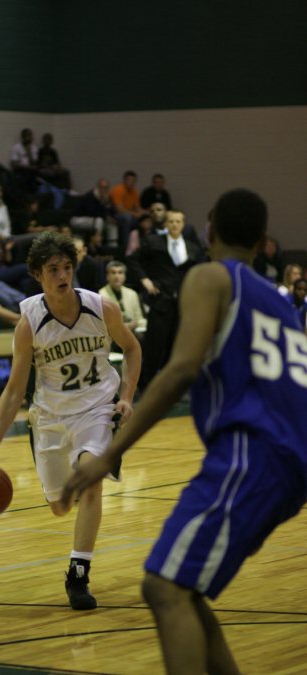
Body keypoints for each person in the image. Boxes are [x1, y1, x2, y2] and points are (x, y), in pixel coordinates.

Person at [62, 188, 307, 675]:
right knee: (182, 589)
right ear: (262, 242)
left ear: (208, 230)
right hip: (292, 460)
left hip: (254, 451)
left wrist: (110, 453)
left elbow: (180, 370)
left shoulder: (211, 277)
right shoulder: (279, 302)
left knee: (163, 586)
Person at [0, 232, 141, 610]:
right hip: (49, 417)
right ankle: (79, 492)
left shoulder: (102, 308)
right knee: (60, 507)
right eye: (53, 270)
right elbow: (15, 391)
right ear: (38, 275)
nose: (63, 275)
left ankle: (78, 574)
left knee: (91, 479)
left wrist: (127, 397)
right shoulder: (29, 323)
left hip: (97, 408)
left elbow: (132, 349)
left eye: (67, 267)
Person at [127, 209, 205, 389]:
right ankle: (144, 385)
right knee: (154, 345)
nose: (175, 225)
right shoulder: (153, 242)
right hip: (161, 302)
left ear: (183, 225)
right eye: (171, 221)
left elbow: (201, 269)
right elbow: (133, 259)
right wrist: (144, 279)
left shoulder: (193, 248)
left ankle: (171, 385)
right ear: (166, 224)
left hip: (182, 305)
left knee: (176, 346)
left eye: (178, 221)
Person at [99, 261, 147, 338]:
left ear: (125, 276)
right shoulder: (101, 294)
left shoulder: (132, 293)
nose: (117, 276)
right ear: (107, 276)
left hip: (134, 331)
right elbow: (105, 324)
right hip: (112, 335)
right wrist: (127, 326)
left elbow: (139, 318)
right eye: (113, 273)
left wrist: (139, 323)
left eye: (120, 272)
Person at [109, 171, 147, 254]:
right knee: (127, 218)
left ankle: (142, 246)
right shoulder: (118, 189)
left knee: (145, 220)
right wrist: (135, 214)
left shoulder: (134, 192)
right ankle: (125, 247)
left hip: (130, 215)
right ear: (124, 180)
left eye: (133, 181)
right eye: (129, 180)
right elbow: (119, 209)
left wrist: (147, 213)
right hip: (115, 216)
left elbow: (138, 208)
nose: (131, 182)